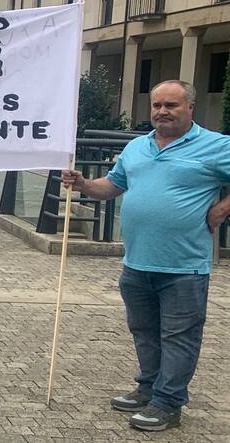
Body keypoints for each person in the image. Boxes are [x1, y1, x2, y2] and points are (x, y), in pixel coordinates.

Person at [62, 80, 229, 432]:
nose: (162, 112)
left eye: (171, 105)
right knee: (144, 331)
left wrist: (223, 208)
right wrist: (83, 184)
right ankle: (149, 388)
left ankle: (168, 404)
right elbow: (112, 187)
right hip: (136, 263)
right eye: (157, 106)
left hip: (185, 266)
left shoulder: (216, 146)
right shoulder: (136, 147)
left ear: (190, 108)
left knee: (179, 336)